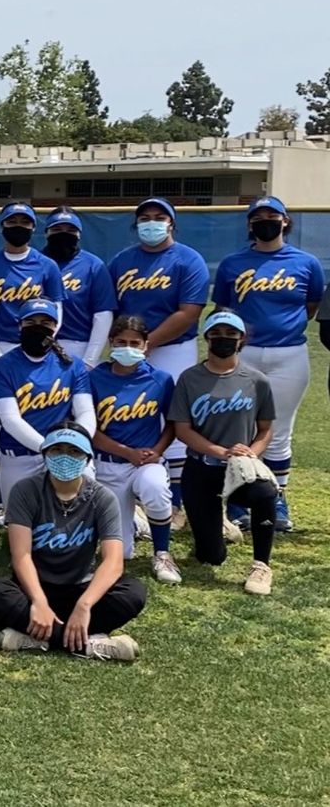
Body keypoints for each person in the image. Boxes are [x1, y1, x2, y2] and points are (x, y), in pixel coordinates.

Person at [0, 423, 146, 661]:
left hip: (82, 586)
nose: (65, 457)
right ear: (45, 454)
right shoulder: (25, 491)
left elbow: (113, 561)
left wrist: (84, 605)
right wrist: (39, 601)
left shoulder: (102, 497)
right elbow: (21, 556)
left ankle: (38, 638)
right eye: (57, 449)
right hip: (35, 587)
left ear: (87, 458)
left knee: (133, 592)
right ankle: (87, 644)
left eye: (74, 451)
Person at [213, 196, 324, 533]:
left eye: (272, 215)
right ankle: (238, 496)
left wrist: (281, 326)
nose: (265, 220)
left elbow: (310, 306)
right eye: (258, 216)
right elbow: (222, 310)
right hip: (243, 354)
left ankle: (276, 499)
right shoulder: (233, 263)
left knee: (278, 430)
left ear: (285, 221)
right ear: (249, 224)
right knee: (239, 428)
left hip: (289, 354)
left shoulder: (306, 262)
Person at [108, 197, 210, 524]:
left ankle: (175, 502)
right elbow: (110, 308)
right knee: (127, 410)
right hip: (129, 346)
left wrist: (147, 343)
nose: (151, 222)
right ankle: (135, 489)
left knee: (175, 415)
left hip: (173, 347)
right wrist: (129, 344)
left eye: (159, 217)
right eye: (144, 217)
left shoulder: (188, 259)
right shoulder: (122, 260)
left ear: (171, 223)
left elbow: (189, 312)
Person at [169, 311, 279, 595]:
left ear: (241, 339)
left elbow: (265, 430)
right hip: (201, 468)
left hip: (240, 470)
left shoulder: (256, 380)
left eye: (231, 334)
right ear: (207, 338)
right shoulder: (190, 378)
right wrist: (220, 451)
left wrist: (250, 454)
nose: (224, 339)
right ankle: (221, 525)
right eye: (216, 333)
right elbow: (182, 429)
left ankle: (261, 565)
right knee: (211, 557)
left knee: (266, 494)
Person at [0, 202, 64, 509]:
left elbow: (56, 311)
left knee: (40, 410)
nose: (18, 227)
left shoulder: (46, 265)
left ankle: (52, 488)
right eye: (12, 221)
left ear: (33, 227)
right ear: (2, 226)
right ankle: (1, 503)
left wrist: (45, 343)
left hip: (36, 347)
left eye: (24, 222)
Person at [88, 316, 180, 584]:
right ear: (111, 342)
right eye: (121, 342)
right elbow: (89, 429)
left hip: (145, 462)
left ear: (146, 345)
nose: (128, 348)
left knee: (155, 488)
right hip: (108, 463)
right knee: (123, 552)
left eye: (135, 343)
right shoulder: (95, 378)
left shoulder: (160, 379)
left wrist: (158, 450)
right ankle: (137, 522)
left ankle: (162, 553)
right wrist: (126, 452)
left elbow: (173, 422)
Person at [0, 299, 95, 519]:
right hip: (20, 454)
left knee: (78, 516)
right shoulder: (1, 366)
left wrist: (75, 444)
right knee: (19, 521)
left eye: (45, 323)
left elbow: (85, 411)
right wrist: (48, 448)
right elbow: (10, 419)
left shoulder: (72, 364)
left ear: (55, 327)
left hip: (65, 450)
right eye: (30, 322)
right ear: (20, 326)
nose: (38, 327)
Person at [41, 208, 117, 368]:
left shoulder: (94, 265)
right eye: (57, 229)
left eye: (71, 230)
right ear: (46, 233)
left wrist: (90, 360)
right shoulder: (34, 262)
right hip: (36, 343)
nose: (64, 234)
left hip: (78, 346)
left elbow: (103, 315)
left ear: (79, 234)